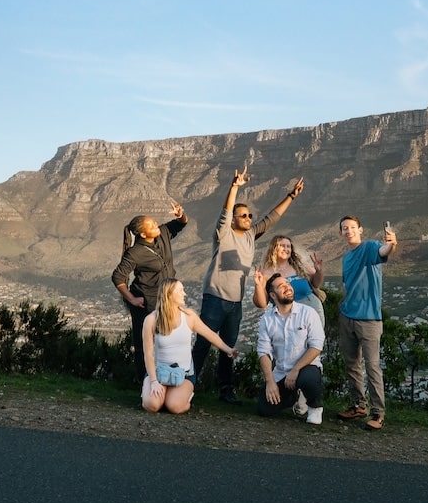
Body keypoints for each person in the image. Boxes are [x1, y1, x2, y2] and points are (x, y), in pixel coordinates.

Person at [191, 165, 304, 404]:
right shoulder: (223, 233)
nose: (249, 218)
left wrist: (291, 196)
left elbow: (271, 218)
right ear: (233, 219)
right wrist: (234, 187)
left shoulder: (251, 235)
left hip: (235, 303)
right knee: (203, 343)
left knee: (228, 348)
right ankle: (188, 384)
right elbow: (225, 211)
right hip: (215, 298)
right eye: (243, 215)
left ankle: (226, 391)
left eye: (250, 215)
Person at [110, 202, 187, 383]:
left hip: (168, 299)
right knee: (146, 344)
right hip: (147, 303)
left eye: (154, 223)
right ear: (143, 234)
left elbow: (182, 223)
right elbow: (118, 277)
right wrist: (132, 299)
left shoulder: (163, 234)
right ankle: (146, 382)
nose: (156, 225)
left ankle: (168, 380)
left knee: (168, 341)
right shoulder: (135, 253)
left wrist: (180, 214)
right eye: (151, 225)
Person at [336, 215, 396, 431]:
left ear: (360, 229)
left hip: (369, 318)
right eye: (344, 228)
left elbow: (384, 252)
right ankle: (358, 405)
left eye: (352, 227)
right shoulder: (345, 258)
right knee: (352, 364)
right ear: (341, 233)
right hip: (347, 316)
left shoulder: (369, 247)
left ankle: (378, 413)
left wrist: (391, 243)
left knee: (371, 366)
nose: (348, 230)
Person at [142, 278, 238, 414]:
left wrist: (228, 349)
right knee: (151, 405)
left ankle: (180, 398)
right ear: (169, 294)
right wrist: (153, 381)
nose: (184, 294)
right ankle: (158, 395)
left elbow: (210, 334)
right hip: (158, 372)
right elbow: (148, 354)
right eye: (180, 290)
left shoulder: (189, 316)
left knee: (174, 407)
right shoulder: (151, 320)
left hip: (184, 374)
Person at [256, 273, 325, 424]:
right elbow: (263, 352)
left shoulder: (308, 313)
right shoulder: (267, 319)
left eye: (287, 284)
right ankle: (292, 396)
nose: (288, 287)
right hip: (282, 372)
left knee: (308, 380)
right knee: (264, 408)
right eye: (282, 286)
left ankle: (314, 406)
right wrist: (270, 381)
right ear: (273, 295)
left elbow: (316, 346)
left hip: (307, 367)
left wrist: (295, 370)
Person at [251, 235, 325, 322]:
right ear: (274, 248)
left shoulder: (300, 265)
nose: (286, 249)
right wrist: (258, 285)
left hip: (311, 307)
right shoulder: (266, 273)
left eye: (288, 246)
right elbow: (262, 304)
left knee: (315, 335)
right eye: (282, 246)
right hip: (285, 315)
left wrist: (319, 272)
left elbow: (316, 284)